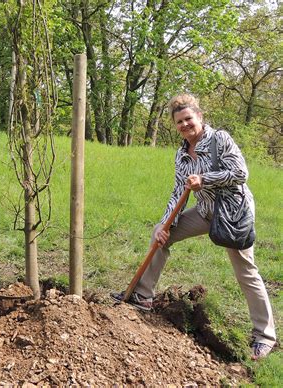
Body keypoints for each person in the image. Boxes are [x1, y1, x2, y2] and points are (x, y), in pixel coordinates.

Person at [112, 94, 276, 360]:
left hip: (233, 214)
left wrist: (205, 179)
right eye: (179, 122)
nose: (185, 124)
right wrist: (166, 224)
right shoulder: (181, 154)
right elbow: (179, 191)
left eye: (189, 118)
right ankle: (143, 296)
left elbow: (240, 174)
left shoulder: (219, 139)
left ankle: (264, 336)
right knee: (160, 236)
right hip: (204, 211)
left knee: (245, 271)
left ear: (199, 117)